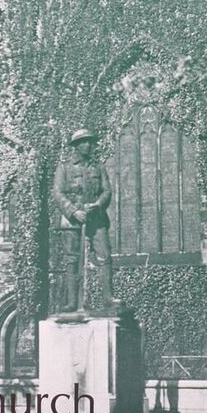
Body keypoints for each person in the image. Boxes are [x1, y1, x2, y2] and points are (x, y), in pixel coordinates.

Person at [52, 128, 117, 313]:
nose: (88, 145)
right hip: (72, 221)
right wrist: (73, 211)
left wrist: (98, 204)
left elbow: (107, 191)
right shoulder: (64, 167)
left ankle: (108, 298)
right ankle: (72, 301)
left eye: (90, 142)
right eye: (84, 142)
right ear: (76, 146)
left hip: (96, 218)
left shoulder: (99, 167)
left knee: (105, 255)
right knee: (72, 260)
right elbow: (57, 193)